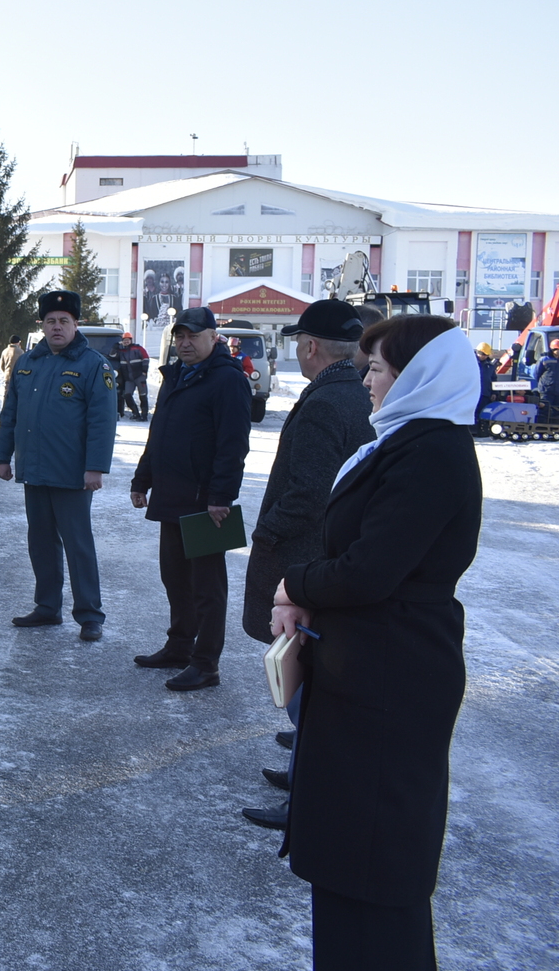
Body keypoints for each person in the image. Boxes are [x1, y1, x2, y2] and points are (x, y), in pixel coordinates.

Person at [270, 314, 482, 970]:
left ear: (417, 376)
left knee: (375, 863)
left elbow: (370, 570)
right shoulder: (405, 442)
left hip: (392, 678)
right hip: (368, 668)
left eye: (379, 369)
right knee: (350, 865)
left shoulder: (432, 454)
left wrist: (294, 583)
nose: (366, 380)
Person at [237, 299, 373, 831]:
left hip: (306, 554)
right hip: (330, 551)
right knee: (310, 675)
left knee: (304, 674)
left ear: (311, 347)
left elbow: (308, 491)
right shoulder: (353, 393)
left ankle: (307, 796)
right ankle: (304, 768)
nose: (297, 349)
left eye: (299, 342)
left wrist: (267, 531)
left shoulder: (325, 403)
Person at [129, 306, 252, 691]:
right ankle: (180, 646)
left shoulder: (227, 380)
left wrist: (221, 496)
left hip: (205, 503)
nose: (184, 343)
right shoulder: (176, 376)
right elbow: (159, 433)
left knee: (207, 588)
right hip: (171, 496)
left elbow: (233, 445)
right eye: (179, 336)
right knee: (175, 579)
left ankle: (206, 663)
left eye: (193, 336)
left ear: (213, 338)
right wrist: (142, 478)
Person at [0, 291, 117, 641]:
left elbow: (102, 421)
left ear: (76, 324)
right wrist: (3, 456)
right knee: (41, 541)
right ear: (42, 325)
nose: (57, 327)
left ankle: (90, 615)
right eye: (51, 321)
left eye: (64, 320)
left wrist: (95, 468)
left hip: (72, 473)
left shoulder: (93, 365)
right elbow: (11, 414)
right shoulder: (29, 362)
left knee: (78, 544)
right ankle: (47, 607)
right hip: (34, 469)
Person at [115, 332, 151, 420]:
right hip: (128, 378)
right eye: (124, 340)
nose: (126, 342)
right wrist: (115, 346)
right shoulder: (121, 351)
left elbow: (146, 358)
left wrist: (144, 371)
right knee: (127, 395)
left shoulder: (138, 348)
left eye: (128, 340)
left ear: (131, 340)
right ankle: (135, 413)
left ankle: (144, 415)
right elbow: (112, 355)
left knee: (142, 395)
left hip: (139, 376)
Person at [534, 340, 559, 420]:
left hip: (557, 390)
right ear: (552, 350)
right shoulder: (544, 359)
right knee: (544, 410)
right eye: (556, 349)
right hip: (546, 390)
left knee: (556, 412)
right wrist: (543, 384)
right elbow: (537, 374)